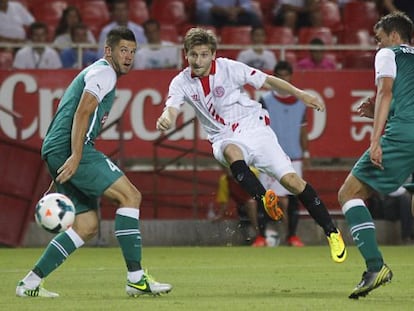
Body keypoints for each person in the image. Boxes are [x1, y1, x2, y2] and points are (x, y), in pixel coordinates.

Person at [156, 27, 346, 263]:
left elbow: (267, 80)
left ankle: (332, 232)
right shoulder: (181, 82)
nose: (198, 60)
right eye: (193, 54)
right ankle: (264, 197)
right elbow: (172, 107)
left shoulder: (229, 68)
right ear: (186, 55)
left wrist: (301, 94)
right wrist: (167, 117)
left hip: (255, 129)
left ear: (213, 54)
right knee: (231, 151)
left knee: (293, 182)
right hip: (223, 136)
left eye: (204, 54)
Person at [16, 27, 172, 298]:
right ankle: (136, 278)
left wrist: (58, 163)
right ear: (108, 51)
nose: (129, 57)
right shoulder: (104, 72)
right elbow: (82, 112)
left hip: (57, 149)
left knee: (86, 225)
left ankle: (29, 283)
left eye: (133, 52)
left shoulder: (98, 72)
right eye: (123, 50)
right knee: (131, 196)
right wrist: (75, 157)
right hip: (70, 149)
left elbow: (69, 112)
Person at [337, 12, 414, 299]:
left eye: (379, 38)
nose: (377, 45)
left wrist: (375, 139)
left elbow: (385, 92)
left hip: (405, 134)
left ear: (394, 36)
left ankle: (375, 266)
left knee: (349, 193)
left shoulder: (387, 54)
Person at [258, 61, 308, 247]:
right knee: (266, 197)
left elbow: (303, 131)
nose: (283, 79)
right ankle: (261, 236)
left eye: (286, 75)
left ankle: (292, 236)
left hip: (294, 157)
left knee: (295, 197)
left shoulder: (301, 102)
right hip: (271, 157)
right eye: (279, 76)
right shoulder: (265, 100)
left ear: (290, 77)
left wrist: (306, 152)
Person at [215, 166, 270, 246]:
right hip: (243, 207)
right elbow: (224, 201)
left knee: (252, 203)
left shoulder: (253, 172)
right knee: (251, 203)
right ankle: (260, 236)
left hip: (263, 202)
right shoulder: (225, 180)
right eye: (224, 168)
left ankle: (261, 236)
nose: (228, 170)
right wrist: (220, 215)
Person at [195, 0, 262, 28]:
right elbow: (201, 5)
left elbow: (247, 4)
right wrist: (221, 10)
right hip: (215, 14)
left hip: (233, 15)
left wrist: (236, 10)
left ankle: (256, 46)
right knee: (204, 14)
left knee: (253, 16)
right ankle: (205, 42)